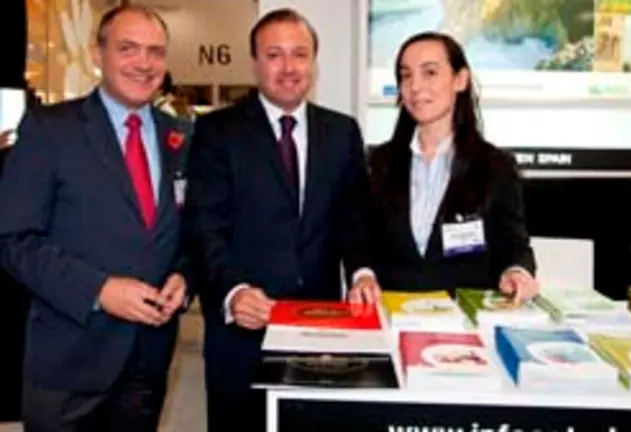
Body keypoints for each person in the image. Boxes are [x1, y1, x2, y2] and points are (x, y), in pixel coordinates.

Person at [184, 8, 379, 432]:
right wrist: (233, 291)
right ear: (255, 61)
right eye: (274, 54)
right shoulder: (217, 132)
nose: (289, 67)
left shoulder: (343, 133)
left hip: (320, 330)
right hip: (241, 333)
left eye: (300, 54)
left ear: (313, 62)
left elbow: (354, 219)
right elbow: (204, 228)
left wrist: (362, 271)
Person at [0, 5, 191, 431]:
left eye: (155, 52)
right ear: (96, 55)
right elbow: (13, 240)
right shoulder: (49, 129)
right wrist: (99, 290)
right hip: (69, 364)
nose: (144, 63)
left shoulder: (181, 136)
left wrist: (184, 277)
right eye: (128, 48)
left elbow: (185, 234)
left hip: (149, 360)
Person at [366, 31, 539, 303]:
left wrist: (516, 272)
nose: (415, 86)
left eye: (430, 73)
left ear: (460, 80)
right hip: (392, 319)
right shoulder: (377, 164)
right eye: (406, 75)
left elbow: (513, 245)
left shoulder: (495, 167)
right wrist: (362, 275)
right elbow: (360, 241)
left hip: (463, 325)